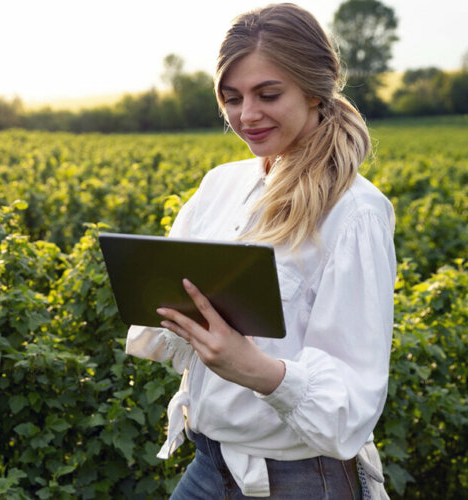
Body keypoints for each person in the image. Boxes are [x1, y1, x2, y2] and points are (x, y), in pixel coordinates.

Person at [125, 3, 396, 499]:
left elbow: (352, 405)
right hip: (210, 464)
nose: (246, 116)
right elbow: (166, 323)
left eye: (268, 94)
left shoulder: (354, 211)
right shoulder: (220, 185)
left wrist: (255, 370)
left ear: (315, 89)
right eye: (232, 98)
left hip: (301, 479)